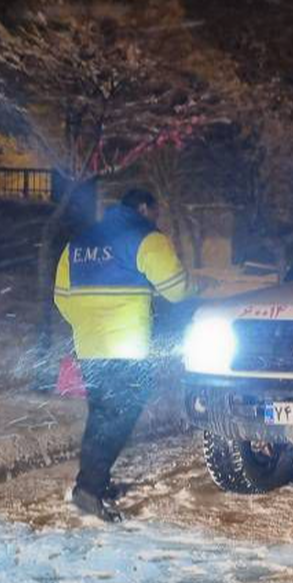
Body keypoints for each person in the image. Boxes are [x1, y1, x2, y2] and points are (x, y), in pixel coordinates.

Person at [54, 188, 196, 521]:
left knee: (102, 412)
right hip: (129, 348)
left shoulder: (79, 243)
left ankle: (93, 482)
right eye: (155, 212)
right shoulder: (145, 237)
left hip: (90, 346)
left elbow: (61, 297)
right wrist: (197, 287)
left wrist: (88, 325)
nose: (156, 218)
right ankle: (89, 488)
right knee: (120, 415)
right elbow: (176, 289)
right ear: (145, 208)